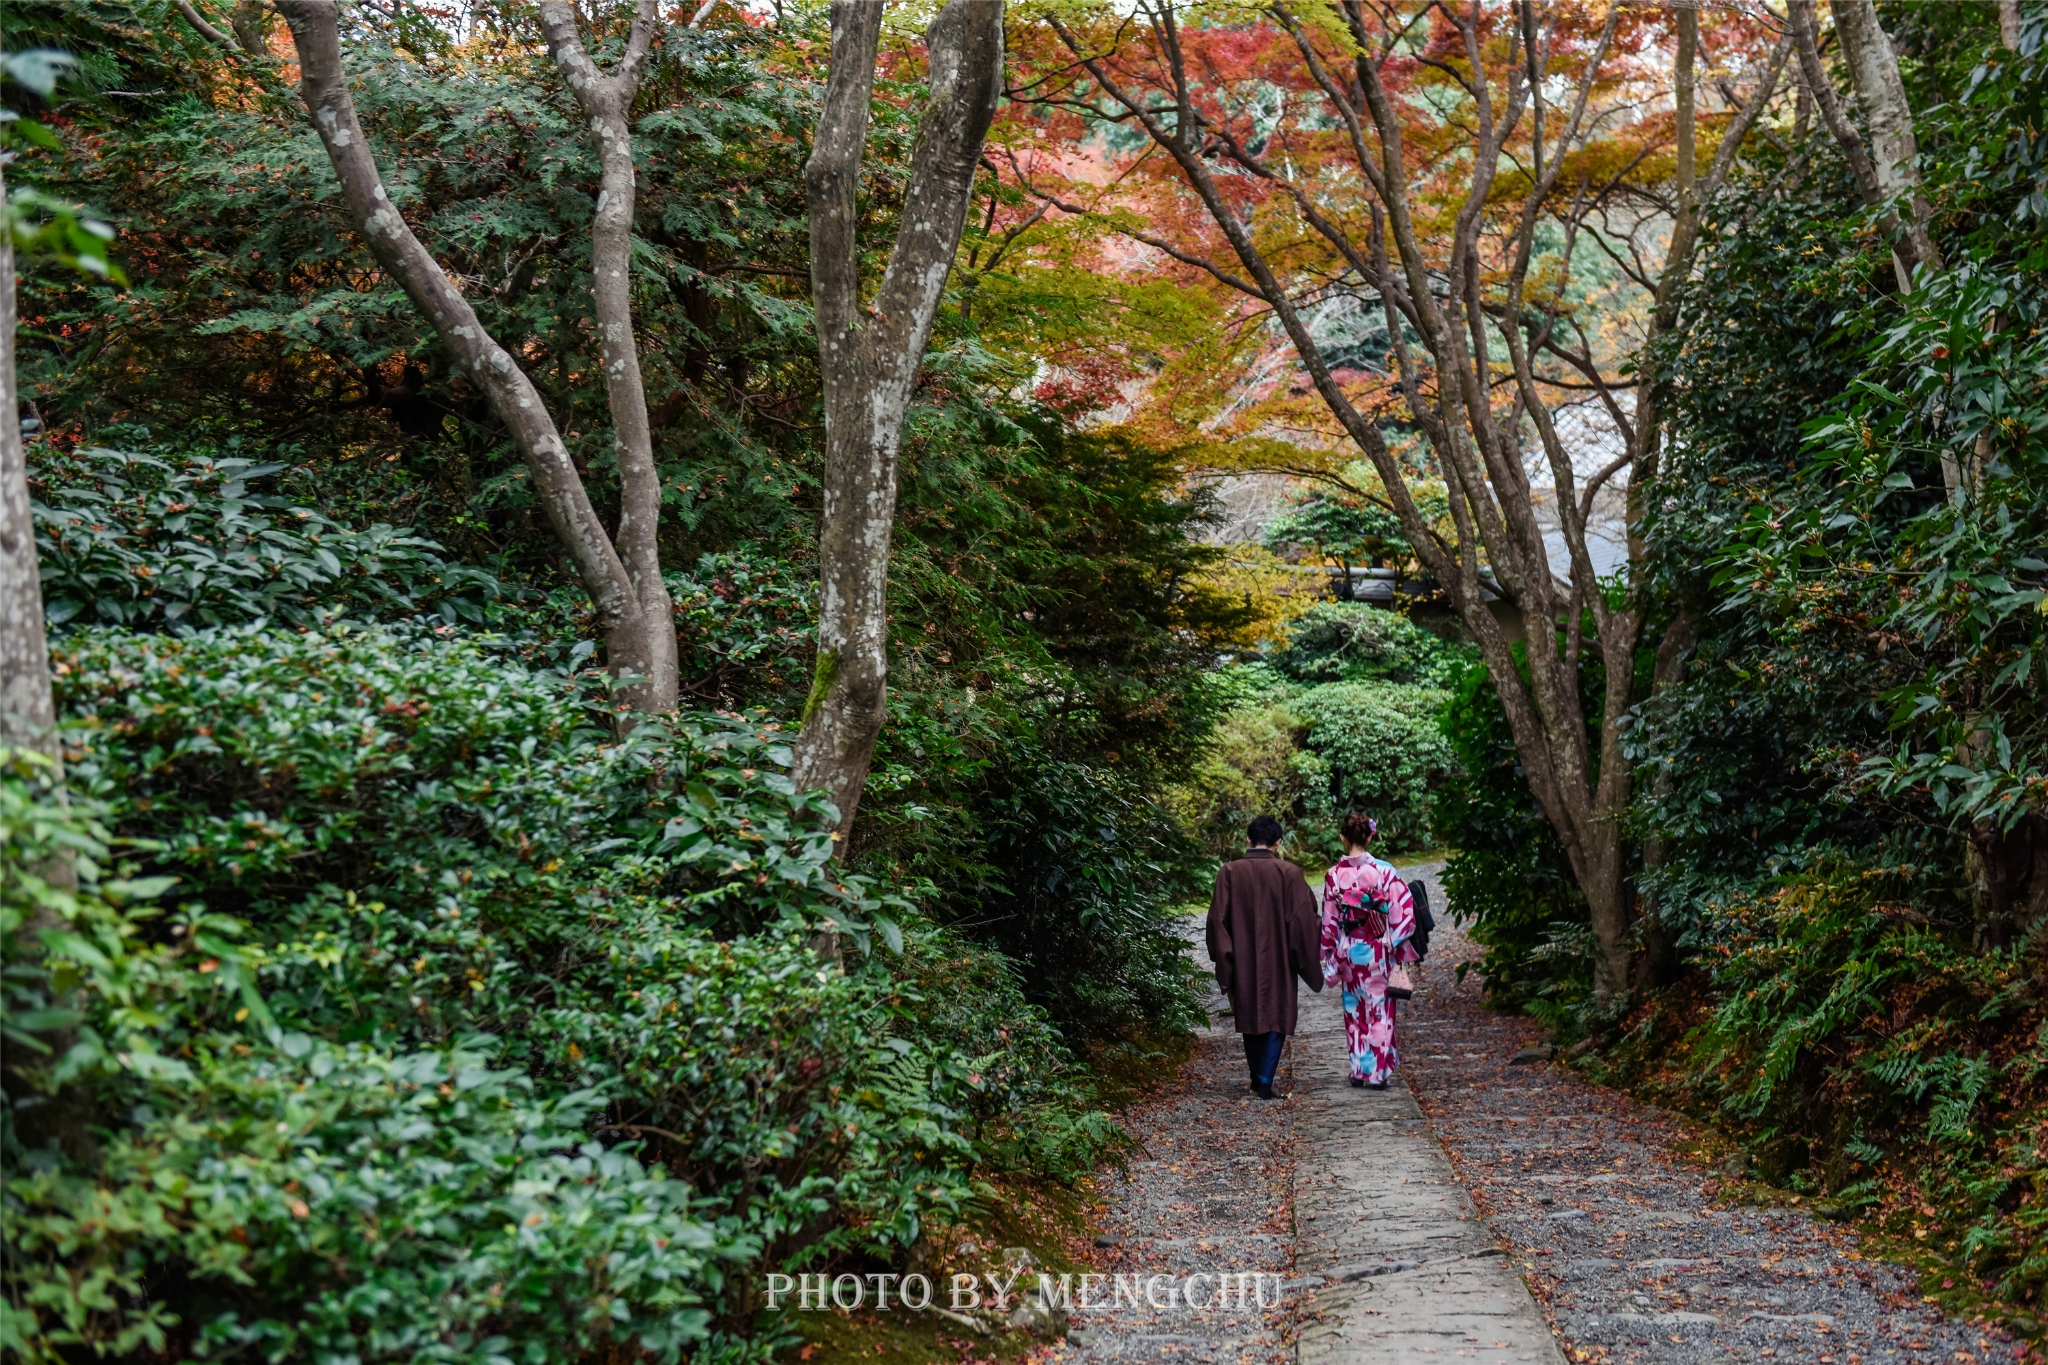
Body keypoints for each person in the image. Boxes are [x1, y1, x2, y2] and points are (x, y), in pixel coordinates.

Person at [1205, 815, 1325, 1100]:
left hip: (1244, 958)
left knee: (1249, 1014)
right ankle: (1265, 1081)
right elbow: (1303, 921)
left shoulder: (1229, 872)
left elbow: (1216, 921)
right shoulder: (1290, 873)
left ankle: (1257, 1078)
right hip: (1279, 959)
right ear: (1278, 841)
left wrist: (1225, 958)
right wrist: (1310, 944)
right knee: (1277, 1015)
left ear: (1249, 839)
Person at [1319, 811, 1417, 1090]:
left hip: (1349, 952)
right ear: (1370, 836)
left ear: (1342, 839)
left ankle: (1360, 1071)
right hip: (1378, 950)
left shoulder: (1333, 875)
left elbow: (1330, 921)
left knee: (1354, 1011)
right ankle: (1377, 1074)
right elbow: (1405, 914)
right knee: (1380, 1011)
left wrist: (1327, 952)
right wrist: (1393, 942)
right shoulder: (1385, 872)